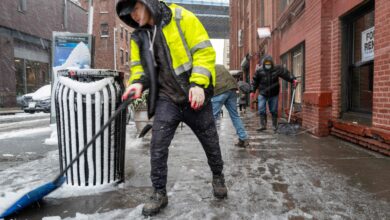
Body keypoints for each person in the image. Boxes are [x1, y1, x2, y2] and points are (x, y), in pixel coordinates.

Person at [116, 0, 227, 216]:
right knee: (157, 146)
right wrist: (137, 82)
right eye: (130, 15)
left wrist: (198, 84)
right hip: (167, 99)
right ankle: (159, 192)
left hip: (193, 95)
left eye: (136, 9)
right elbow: (139, 67)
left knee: (210, 141)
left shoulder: (181, 17)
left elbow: (204, 52)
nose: (134, 16)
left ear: (146, 2)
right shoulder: (139, 37)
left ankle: (218, 175)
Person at [250, 55, 298, 131]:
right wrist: (252, 91)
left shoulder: (277, 69)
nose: (268, 65)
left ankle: (274, 125)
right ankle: (263, 125)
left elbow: (286, 74)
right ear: (264, 64)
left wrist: (293, 79)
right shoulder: (259, 71)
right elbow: (254, 81)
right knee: (261, 109)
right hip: (262, 93)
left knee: (273, 110)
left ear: (272, 64)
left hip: (274, 93)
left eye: (269, 64)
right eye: (266, 64)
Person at [211, 64, 249, 148]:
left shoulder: (206, 68)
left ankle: (211, 141)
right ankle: (243, 138)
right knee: (235, 115)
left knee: (213, 116)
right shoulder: (220, 66)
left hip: (219, 91)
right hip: (232, 89)